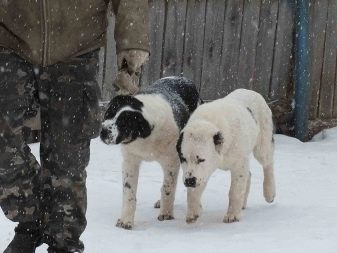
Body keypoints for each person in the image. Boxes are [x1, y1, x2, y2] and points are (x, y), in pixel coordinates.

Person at [0, 1, 149, 252]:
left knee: (67, 155)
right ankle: (30, 218)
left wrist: (133, 41)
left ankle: (64, 242)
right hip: (11, 36)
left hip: (76, 42)